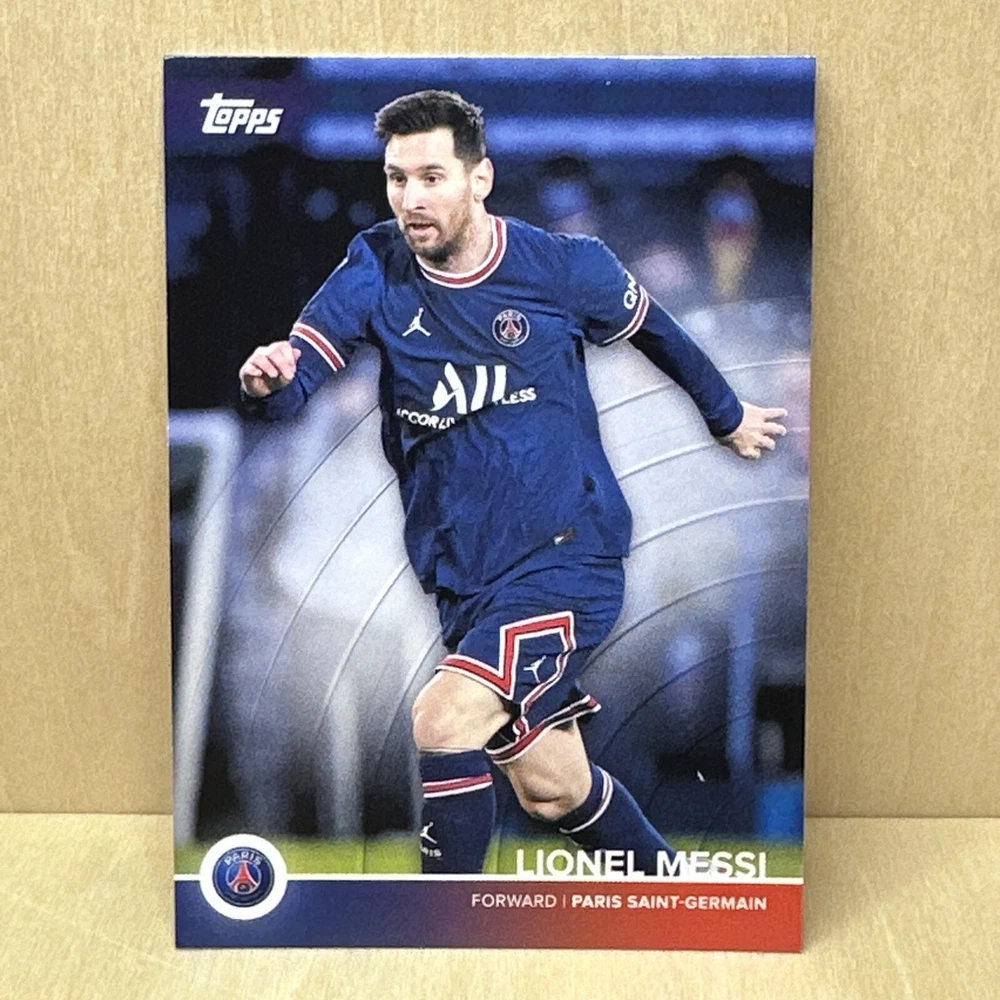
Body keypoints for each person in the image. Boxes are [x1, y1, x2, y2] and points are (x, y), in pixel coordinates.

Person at [238, 90, 787, 875]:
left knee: (443, 717)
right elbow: (296, 382)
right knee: (554, 788)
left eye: (432, 177)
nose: (411, 198)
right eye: (397, 179)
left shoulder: (562, 267)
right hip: (467, 581)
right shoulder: (375, 266)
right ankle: (678, 896)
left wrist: (727, 416)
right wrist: (269, 381)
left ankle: (443, 930)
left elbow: (661, 334)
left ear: (481, 178)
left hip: (566, 557)